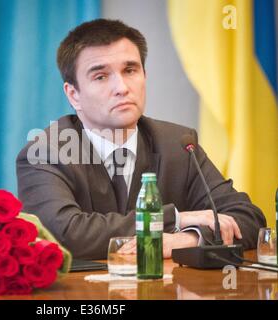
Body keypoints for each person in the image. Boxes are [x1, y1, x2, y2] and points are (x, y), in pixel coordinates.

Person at [16, 19, 266, 260]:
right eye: (101, 76)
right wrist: (177, 219)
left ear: (144, 76)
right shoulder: (45, 152)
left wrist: (188, 238)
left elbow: (247, 219)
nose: (122, 87)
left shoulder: (179, 144)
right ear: (73, 95)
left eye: (130, 70)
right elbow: (64, 234)